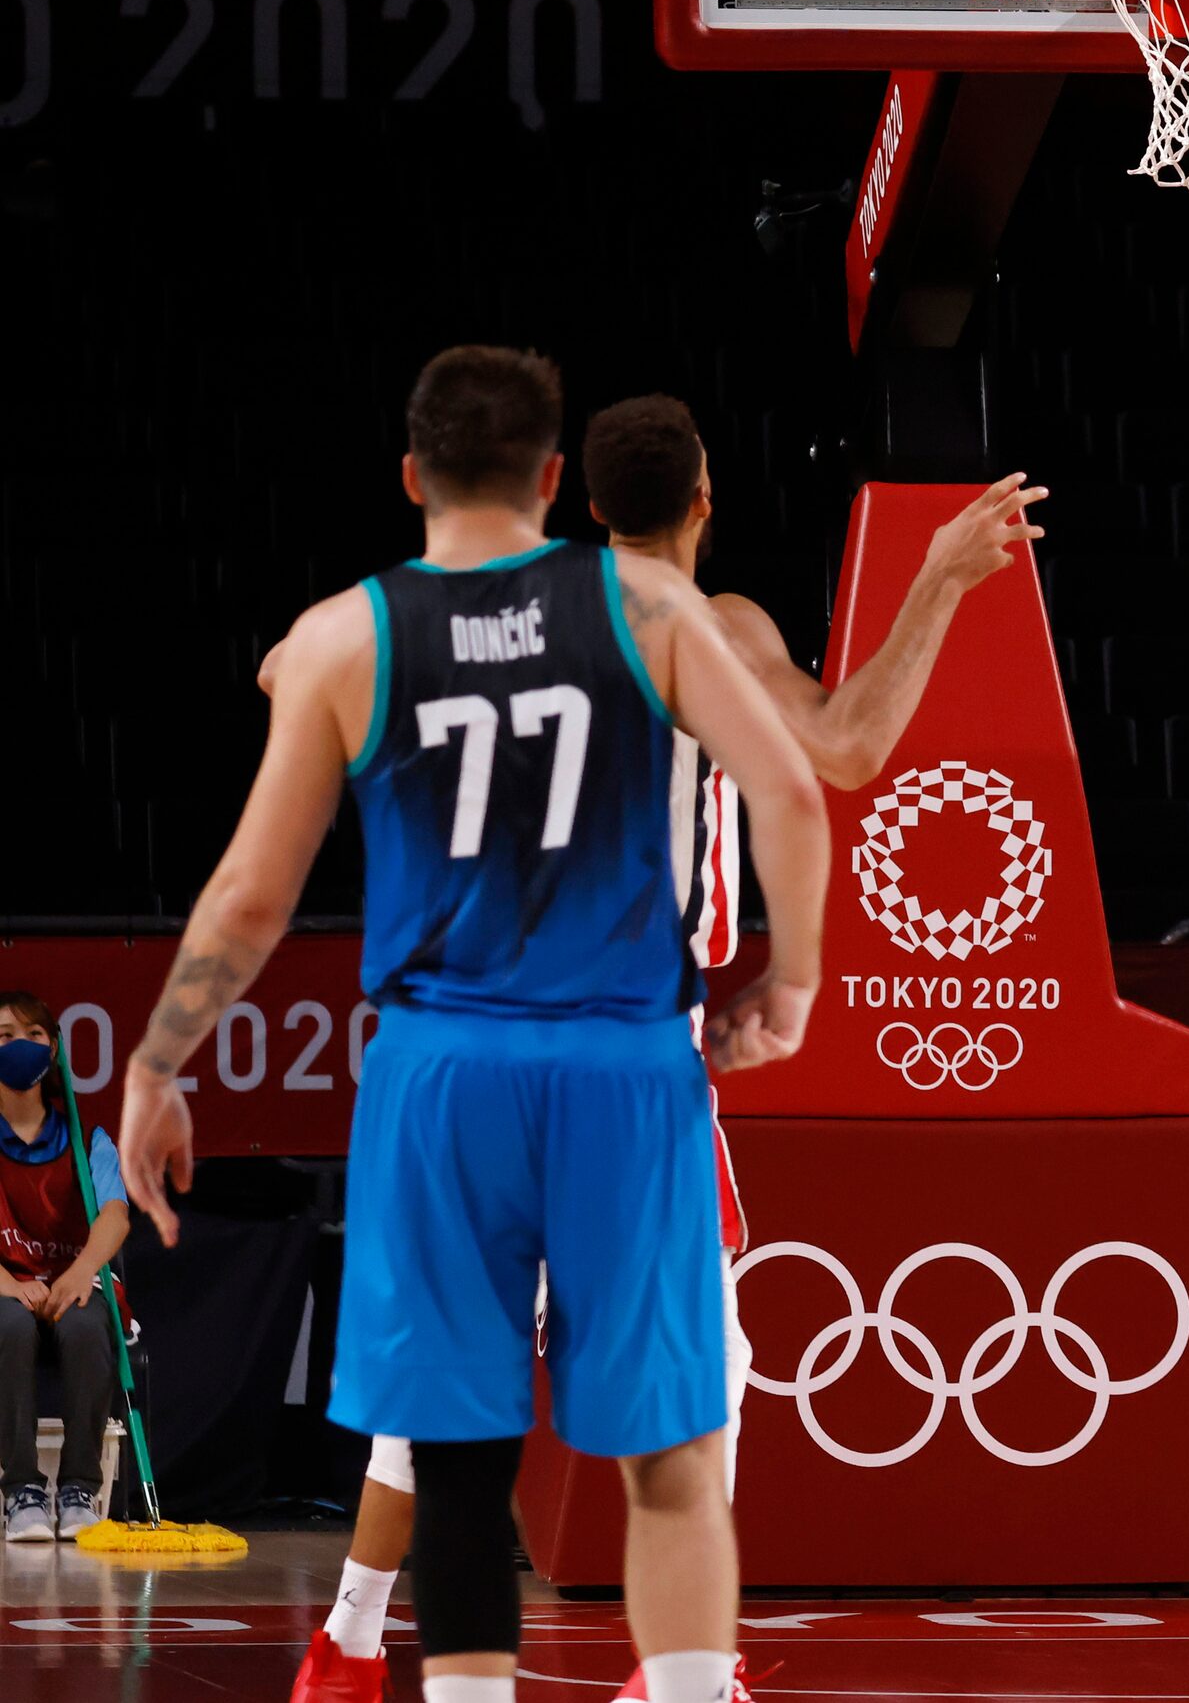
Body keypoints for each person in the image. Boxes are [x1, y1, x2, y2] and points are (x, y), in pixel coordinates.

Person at [285, 397, 1047, 1703]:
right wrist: (933, 584)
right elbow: (839, 762)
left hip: (467, 1040)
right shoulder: (697, 626)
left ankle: (356, 1640)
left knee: (460, 1383)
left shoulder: (484, 621)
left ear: (577, 498)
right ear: (704, 501)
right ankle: (681, 1668)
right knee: (693, 1388)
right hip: (622, 1047)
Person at [114, 344, 833, 1703]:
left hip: (442, 1069)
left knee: (455, 1453)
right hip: (625, 1059)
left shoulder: (348, 633)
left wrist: (159, 1062)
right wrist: (786, 992)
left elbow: (252, 891)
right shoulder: (648, 602)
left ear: (408, 475)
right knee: (675, 1456)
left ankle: (390, 1658)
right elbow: (795, 795)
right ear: (557, 479)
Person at [0, 994, 128, 1544]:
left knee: (83, 1325)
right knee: (7, 1325)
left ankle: (79, 1488)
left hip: (76, 1280)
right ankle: (21, 1492)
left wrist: (79, 1274)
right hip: (9, 1287)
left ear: (52, 1050)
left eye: (32, 1034)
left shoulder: (88, 1138)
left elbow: (115, 1217)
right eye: (4, 1036)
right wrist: (7, 1283)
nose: (18, 1046)